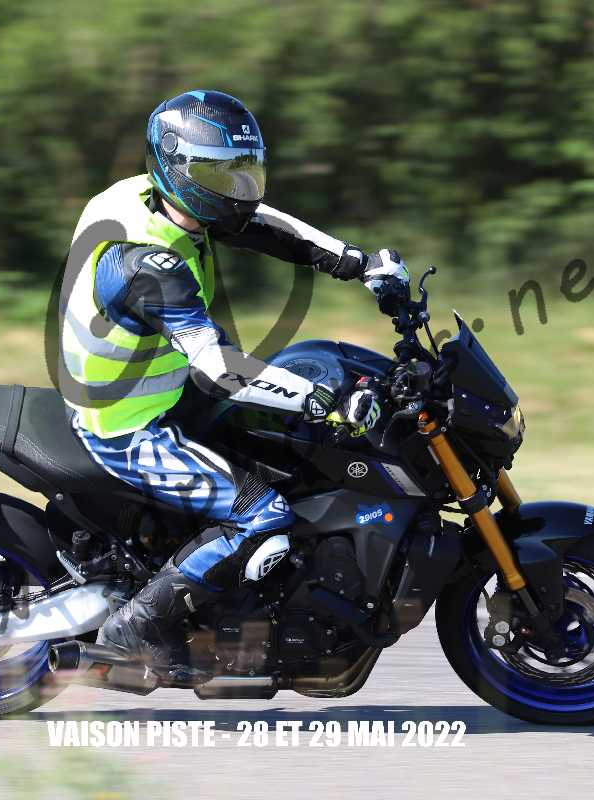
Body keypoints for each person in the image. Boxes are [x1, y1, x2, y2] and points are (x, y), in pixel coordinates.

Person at [60, 89, 409, 684]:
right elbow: (218, 368)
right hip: (125, 424)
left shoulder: (151, 197)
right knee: (261, 512)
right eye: (221, 175)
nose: (240, 189)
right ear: (180, 170)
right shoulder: (147, 263)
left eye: (244, 170)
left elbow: (261, 224)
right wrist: (323, 400)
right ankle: (136, 631)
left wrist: (355, 262)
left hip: (159, 386)